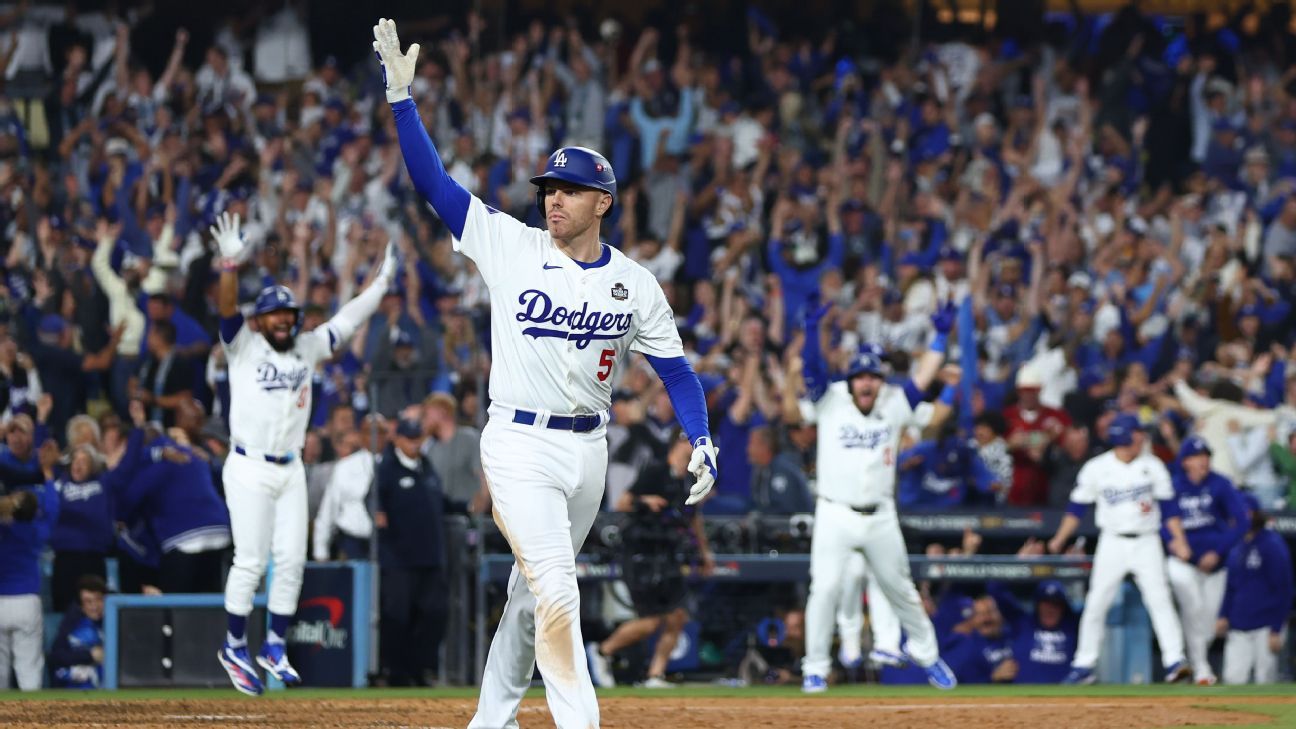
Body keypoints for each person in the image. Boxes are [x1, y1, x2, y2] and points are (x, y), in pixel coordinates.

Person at [376, 19, 716, 729]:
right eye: (548, 187)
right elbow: (433, 184)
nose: (552, 197)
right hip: (518, 444)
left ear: (604, 201)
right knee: (558, 585)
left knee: (530, 600)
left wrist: (702, 437)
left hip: (587, 450)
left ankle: (487, 721)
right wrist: (402, 100)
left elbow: (678, 373)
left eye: (568, 188)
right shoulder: (513, 245)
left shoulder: (635, 283)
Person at [211, 209, 397, 696]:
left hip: (290, 466)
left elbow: (348, 320)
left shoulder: (308, 347)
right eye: (274, 314)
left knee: (291, 560)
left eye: (288, 315)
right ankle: (233, 646)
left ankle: (274, 644)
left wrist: (378, 288)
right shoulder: (243, 346)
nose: (281, 321)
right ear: (261, 319)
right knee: (250, 561)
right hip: (248, 464)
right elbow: (227, 311)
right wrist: (230, 267)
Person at [797, 295, 959, 693]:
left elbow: (924, 378)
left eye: (873, 376)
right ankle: (814, 668)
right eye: (860, 376)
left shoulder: (894, 403)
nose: (867, 382)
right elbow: (813, 369)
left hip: (881, 515)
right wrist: (811, 331)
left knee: (901, 589)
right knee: (825, 590)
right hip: (834, 512)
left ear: (881, 380)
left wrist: (940, 336)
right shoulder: (830, 400)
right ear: (851, 379)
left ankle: (928, 656)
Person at [1047, 413, 1193, 684]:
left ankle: (1175, 660)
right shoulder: (1097, 467)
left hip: (1147, 541)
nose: (1141, 436)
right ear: (1128, 437)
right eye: (1137, 432)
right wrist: (1059, 538)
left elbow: (1169, 507)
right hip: (1112, 541)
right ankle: (1084, 664)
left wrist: (1179, 539)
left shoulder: (1153, 466)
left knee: (1159, 599)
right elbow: (1077, 507)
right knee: (1096, 603)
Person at [586, 435, 715, 688]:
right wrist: (645, 501)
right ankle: (602, 650)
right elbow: (622, 503)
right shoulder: (656, 470)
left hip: (666, 555)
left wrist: (704, 553)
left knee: (677, 616)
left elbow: (694, 519)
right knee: (651, 620)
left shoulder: (689, 479)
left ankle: (655, 675)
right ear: (680, 442)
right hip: (642, 555)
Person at [112, 402, 232, 595]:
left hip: (185, 536)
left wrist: (119, 515)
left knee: (176, 610)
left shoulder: (157, 461)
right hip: (220, 531)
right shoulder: (191, 453)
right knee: (210, 608)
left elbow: (128, 501)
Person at [1164, 436, 1248, 686]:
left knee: (1210, 624)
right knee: (1193, 609)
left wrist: (1218, 551)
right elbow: (1163, 521)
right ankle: (1201, 669)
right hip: (1184, 561)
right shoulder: (1173, 486)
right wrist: (1173, 541)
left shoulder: (1221, 484)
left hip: (1215, 563)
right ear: (1185, 461)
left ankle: (1196, 662)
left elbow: (1241, 521)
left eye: (1206, 456)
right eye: (1197, 457)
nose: (1203, 462)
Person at [375, 415, 450, 687]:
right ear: (398, 439)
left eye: (418, 438)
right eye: (410, 439)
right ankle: (396, 672)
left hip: (430, 556)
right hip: (399, 558)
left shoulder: (426, 467)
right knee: (398, 616)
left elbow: (440, 501)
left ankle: (421, 669)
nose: (414, 444)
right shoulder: (387, 470)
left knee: (434, 613)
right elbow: (373, 502)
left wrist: (467, 506)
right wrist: (378, 514)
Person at [1217, 493, 1292, 685]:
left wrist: (1276, 629)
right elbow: (1231, 586)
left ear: (1256, 514)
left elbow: (1284, 589)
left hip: (1265, 626)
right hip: (1239, 625)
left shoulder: (1272, 544)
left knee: (1265, 681)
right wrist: (1223, 615)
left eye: (1246, 512)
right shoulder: (1237, 545)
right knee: (1233, 679)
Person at [0, 480, 58, 691]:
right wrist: (50, 478)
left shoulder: (3, 531)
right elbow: (52, 509)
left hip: (0, 599)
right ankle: (32, 718)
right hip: (26, 600)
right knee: (29, 667)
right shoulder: (37, 530)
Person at [49, 444, 113, 611]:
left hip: (93, 558)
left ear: (93, 467)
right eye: (75, 460)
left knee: (96, 612)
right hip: (66, 559)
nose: (78, 464)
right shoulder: (59, 484)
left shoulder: (103, 484)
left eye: (84, 461)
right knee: (64, 610)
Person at [312, 430, 375, 562]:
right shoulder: (343, 468)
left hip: (383, 542)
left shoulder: (387, 463)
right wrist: (320, 549)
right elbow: (328, 510)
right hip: (349, 541)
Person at [420, 392, 486, 514]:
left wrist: (479, 513)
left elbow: (485, 478)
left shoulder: (469, 438)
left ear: (442, 412)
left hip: (470, 520)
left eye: (426, 414)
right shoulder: (430, 449)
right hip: (443, 519)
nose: (423, 420)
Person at [47, 575, 108, 689]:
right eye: (88, 601)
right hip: (74, 689)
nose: (94, 606)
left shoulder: (116, 619)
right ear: (81, 605)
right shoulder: (72, 622)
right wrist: (89, 655)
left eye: (98, 599)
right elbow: (56, 656)